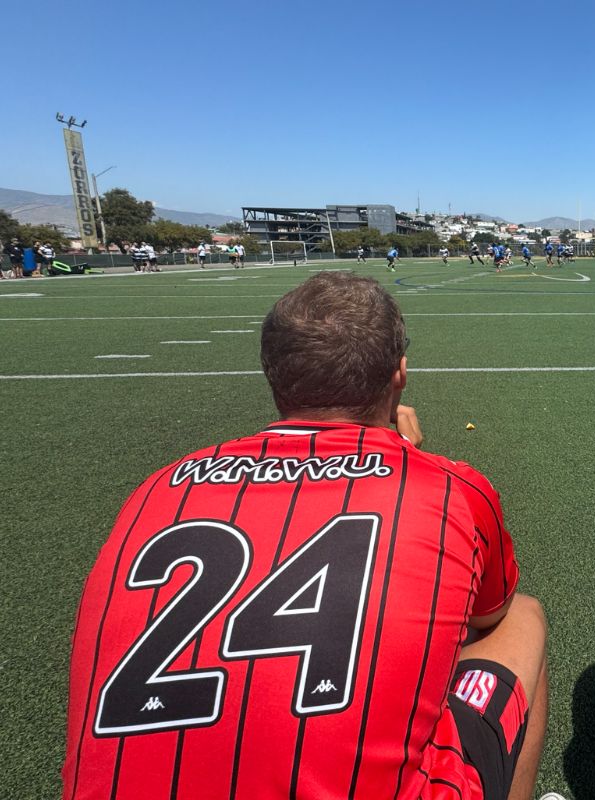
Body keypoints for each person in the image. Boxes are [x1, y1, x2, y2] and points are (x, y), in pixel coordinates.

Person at [63, 272, 555, 800]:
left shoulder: (159, 487)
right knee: (521, 615)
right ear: (400, 374)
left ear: (274, 375)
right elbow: (486, 616)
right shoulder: (447, 485)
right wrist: (408, 459)